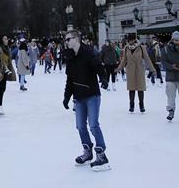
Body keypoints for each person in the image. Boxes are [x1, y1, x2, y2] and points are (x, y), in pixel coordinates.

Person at [63, 30, 109, 171]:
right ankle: (87, 152)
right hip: (78, 97)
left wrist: (103, 78)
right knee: (80, 126)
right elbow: (70, 80)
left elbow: (98, 67)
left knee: (93, 125)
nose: (66, 42)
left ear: (76, 39)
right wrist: (66, 97)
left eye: (68, 39)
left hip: (92, 94)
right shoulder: (70, 57)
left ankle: (101, 156)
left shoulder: (88, 53)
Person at [117, 34, 155, 113]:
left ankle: (141, 105)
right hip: (130, 70)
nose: (130, 41)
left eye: (132, 40)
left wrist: (152, 69)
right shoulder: (127, 48)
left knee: (140, 88)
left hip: (139, 69)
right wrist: (118, 68)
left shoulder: (141, 47)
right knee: (131, 89)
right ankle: (131, 106)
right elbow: (124, 60)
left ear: (135, 39)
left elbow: (147, 58)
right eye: (129, 40)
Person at [0, 35, 16, 115]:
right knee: (2, 89)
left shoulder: (6, 49)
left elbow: (7, 60)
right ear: (1, 40)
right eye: (5, 38)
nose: (7, 40)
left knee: (2, 89)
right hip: (0, 72)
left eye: (7, 38)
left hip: (5, 71)